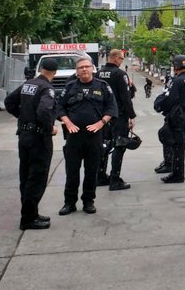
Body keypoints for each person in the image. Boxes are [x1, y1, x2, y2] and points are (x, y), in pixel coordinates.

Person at [56, 56, 116, 215]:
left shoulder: (102, 86)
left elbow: (111, 108)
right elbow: (59, 108)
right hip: (73, 137)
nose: (84, 69)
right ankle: (69, 203)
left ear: (92, 68)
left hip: (94, 137)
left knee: (91, 171)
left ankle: (88, 201)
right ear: (76, 71)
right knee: (72, 171)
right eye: (80, 67)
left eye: (87, 67)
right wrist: (67, 122)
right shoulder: (69, 87)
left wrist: (101, 123)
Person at [5, 57, 59, 230]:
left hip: (24, 135)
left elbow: (9, 102)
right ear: (55, 73)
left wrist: (23, 119)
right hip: (38, 138)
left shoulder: (29, 84)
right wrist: (49, 127)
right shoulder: (47, 88)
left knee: (26, 175)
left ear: (41, 68)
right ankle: (28, 218)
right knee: (37, 177)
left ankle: (31, 212)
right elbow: (44, 110)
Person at [97, 49, 137, 191]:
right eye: (121, 59)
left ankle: (100, 176)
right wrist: (131, 116)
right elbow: (126, 97)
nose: (121, 61)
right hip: (118, 115)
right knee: (120, 145)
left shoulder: (98, 73)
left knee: (104, 145)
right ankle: (115, 179)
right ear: (115, 58)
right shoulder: (120, 74)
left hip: (101, 117)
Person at [158, 55, 185, 184]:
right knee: (181, 144)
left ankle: (177, 174)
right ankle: (177, 172)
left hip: (177, 116)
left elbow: (170, 99)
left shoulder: (177, 81)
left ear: (176, 66)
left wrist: (162, 107)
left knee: (177, 145)